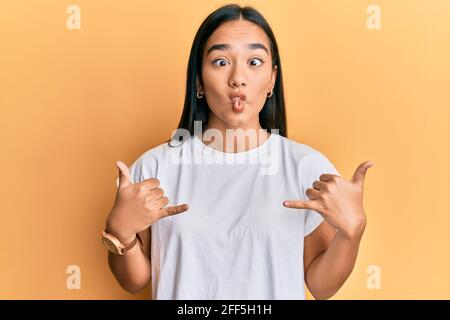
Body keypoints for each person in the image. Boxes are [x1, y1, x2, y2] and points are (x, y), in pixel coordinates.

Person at [102, 3, 373, 300]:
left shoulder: (305, 167)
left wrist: (352, 233)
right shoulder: (156, 167)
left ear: (271, 79)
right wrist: (121, 233)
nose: (238, 78)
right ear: (198, 80)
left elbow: (322, 286)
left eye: (254, 62)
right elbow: (135, 280)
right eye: (220, 62)